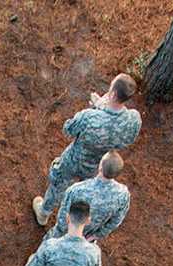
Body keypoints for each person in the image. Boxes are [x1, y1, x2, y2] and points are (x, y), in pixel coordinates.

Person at [32, 74, 141, 226]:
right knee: (81, 194)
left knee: (59, 185)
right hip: (99, 166)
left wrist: (97, 108)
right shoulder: (134, 120)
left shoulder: (89, 117)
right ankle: (71, 222)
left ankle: (43, 214)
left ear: (113, 93)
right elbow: (127, 140)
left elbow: (68, 130)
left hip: (74, 160)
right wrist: (104, 109)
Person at [45, 150, 130, 242]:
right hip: (86, 237)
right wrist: (93, 237)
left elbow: (62, 218)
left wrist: (62, 233)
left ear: (100, 168)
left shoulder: (77, 189)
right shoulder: (123, 195)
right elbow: (115, 222)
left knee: (49, 246)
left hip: (65, 234)